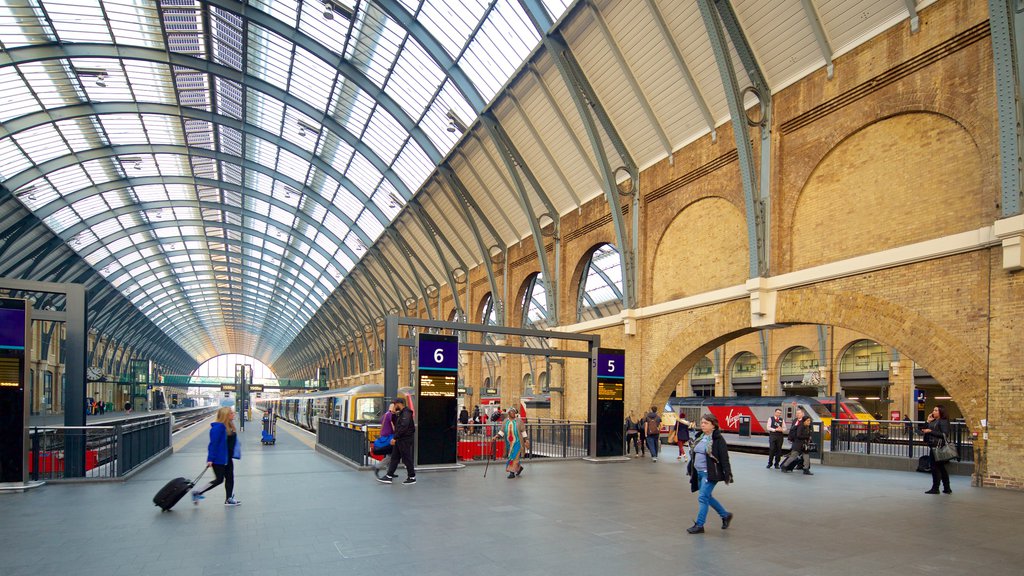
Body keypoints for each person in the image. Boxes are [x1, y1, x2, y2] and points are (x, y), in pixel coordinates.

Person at [685, 414, 734, 534]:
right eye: (702, 422)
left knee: (702, 497)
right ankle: (725, 515)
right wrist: (690, 468)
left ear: (713, 425)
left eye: (706, 423)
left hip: (710, 473)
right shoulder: (700, 437)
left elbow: (724, 458)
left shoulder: (718, 439)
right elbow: (694, 454)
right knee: (707, 497)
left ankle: (700, 524)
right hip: (699, 472)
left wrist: (728, 474)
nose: (702, 425)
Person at [192, 407, 242, 506]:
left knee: (230, 478)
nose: (233, 414)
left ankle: (228, 499)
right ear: (226, 415)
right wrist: (210, 459)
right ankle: (198, 492)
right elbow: (213, 444)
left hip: (228, 458)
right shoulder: (218, 428)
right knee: (219, 479)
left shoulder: (230, 426)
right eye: (231, 413)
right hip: (219, 459)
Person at [378, 397, 415, 485]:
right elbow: (396, 424)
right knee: (394, 458)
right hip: (400, 439)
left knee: (406, 458)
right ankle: (389, 476)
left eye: (395, 404)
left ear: (399, 404)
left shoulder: (406, 413)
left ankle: (412, 477)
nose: (394, 406)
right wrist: (393, 413)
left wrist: (395, 437)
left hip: (404, 439)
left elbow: (403, 427)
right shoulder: (401, 413)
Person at [920, 405, 952, 494]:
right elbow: (923, 429)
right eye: (933, 410)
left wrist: (931, 431)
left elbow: (944, 434)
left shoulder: (943, 421)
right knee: (940, 467)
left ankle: (936, 488)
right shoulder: (934, 421)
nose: (933, 412)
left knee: (935, 468)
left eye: (936, 410)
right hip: (933, 446)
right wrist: (927, 421)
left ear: (941, 412)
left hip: (938, 447)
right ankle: (946, 488)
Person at [495, 407, 526, 478]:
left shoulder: (519, 421)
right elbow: (502, 431)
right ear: (508, 413)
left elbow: (523, 431)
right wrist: (497, 436)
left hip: (517, 442)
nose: (514, 413)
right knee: (511, 456)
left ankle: (511, 473)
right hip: (509, 443)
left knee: (513, 457)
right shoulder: (505, 421)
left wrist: (526, 440)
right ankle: (519, 468)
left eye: (514, 412)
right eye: (512, 412)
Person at [783, 409, 814, 475]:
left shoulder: (808, 427)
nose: (809, 422)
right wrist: (807, 437)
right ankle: (784, 466)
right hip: (798, 444)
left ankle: (806, 469)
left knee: (806, 457)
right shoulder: (801, 426)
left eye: (809, 421)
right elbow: (798, 435)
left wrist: (808, 438)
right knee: (793, 457)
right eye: (808, 421)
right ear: (804, 421)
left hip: (804, 445)